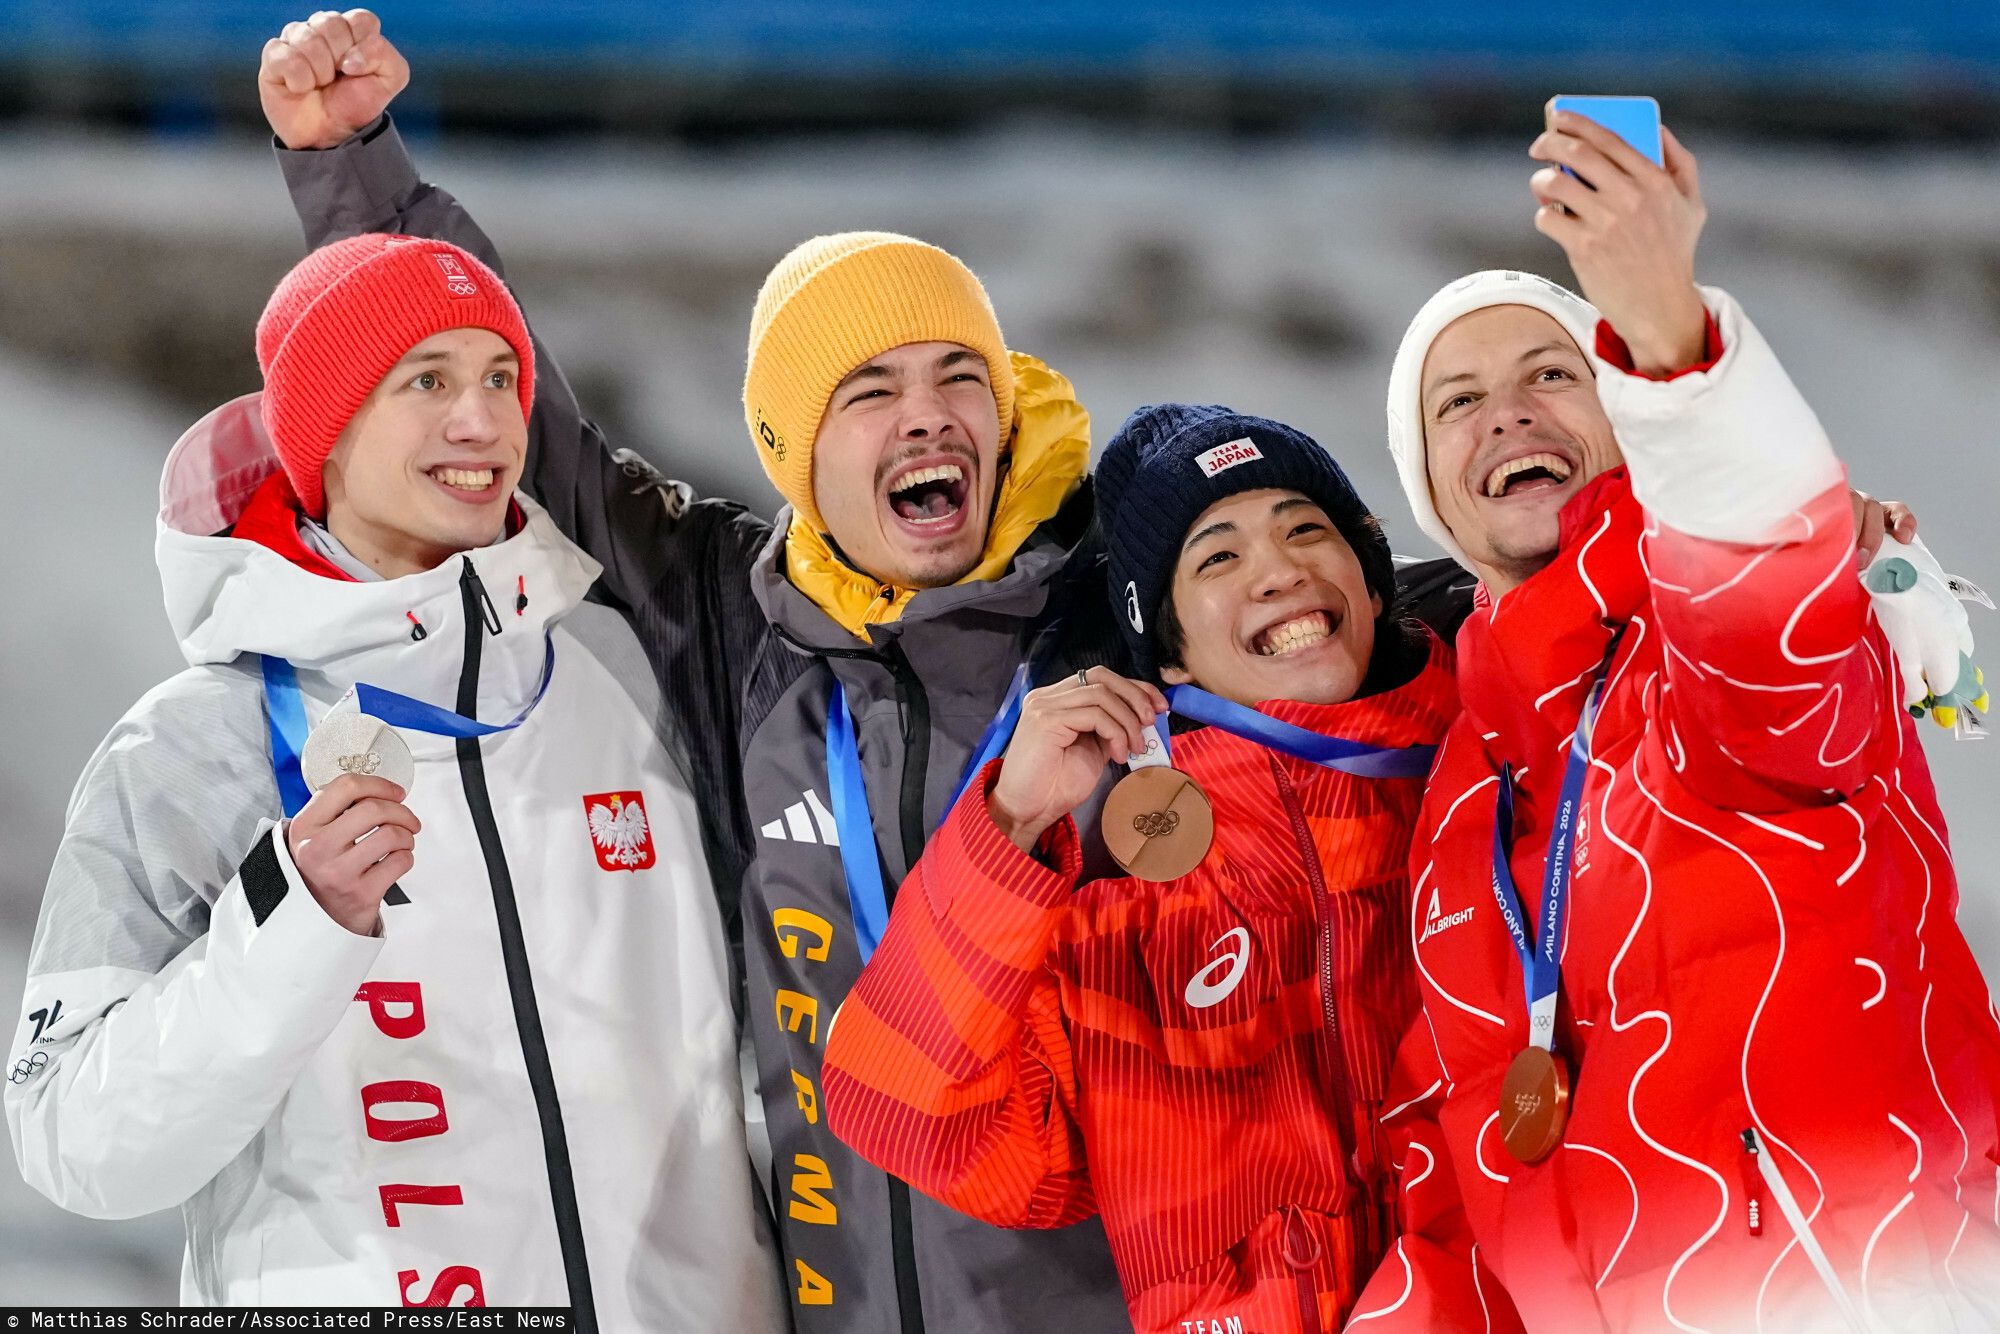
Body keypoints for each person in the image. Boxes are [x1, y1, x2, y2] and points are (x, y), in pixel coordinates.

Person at [256, 11, 1137, 1330]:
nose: (927, 415)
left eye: (961, 376)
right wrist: (357, 173)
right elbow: (538, 442)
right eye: (869, 390)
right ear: (797, 451)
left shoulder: (1117, 607)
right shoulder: (743, 625)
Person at [4, 234, 786, 1326]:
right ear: (326, 430)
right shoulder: (192, 749)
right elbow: (73, 1143)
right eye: (428, 380)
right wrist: (291, 922)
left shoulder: (624, 678)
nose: (483, 421)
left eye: (501, 377)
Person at [1346, 112, 2000, 1332]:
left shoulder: (1707, 639)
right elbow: (1444, 1169)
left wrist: (1663, 337)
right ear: (1430, 489)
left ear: (1619, 422)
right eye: (1457, 400)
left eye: (1551, 374)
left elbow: (1761, 611)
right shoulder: (1455, 803)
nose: (1508, 414)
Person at [820, 403, 1477, 1334]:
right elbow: (914, 1115)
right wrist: (1013, 820)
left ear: (1374, 586)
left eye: (1306, 529)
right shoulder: (1125, 914)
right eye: (1218, 556)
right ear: (1163, 652)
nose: (1281, 570)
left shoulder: (1499, 791)